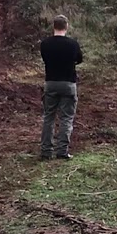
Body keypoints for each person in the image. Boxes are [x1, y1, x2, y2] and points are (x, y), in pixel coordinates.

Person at [39, 15, 83, 160]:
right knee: (66, 118)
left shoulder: (45, 44)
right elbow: (79, 59)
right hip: (68, 84)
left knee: (48, 117)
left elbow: (45, 59)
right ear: (66, 26)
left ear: (53, 26)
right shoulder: (73, 44)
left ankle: (46, 151)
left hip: (50, 83)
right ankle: (62, 151)